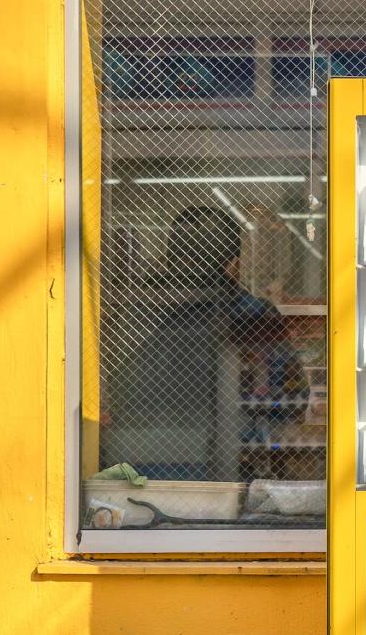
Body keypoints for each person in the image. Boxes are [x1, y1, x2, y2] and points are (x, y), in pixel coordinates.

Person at [102, 205, 307, 483]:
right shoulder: (252, 312)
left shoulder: (134, 309)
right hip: (226, 469)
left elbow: (107, 389)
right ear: (234, 265)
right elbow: (291, 398)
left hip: (131, 469)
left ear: (170, 257)